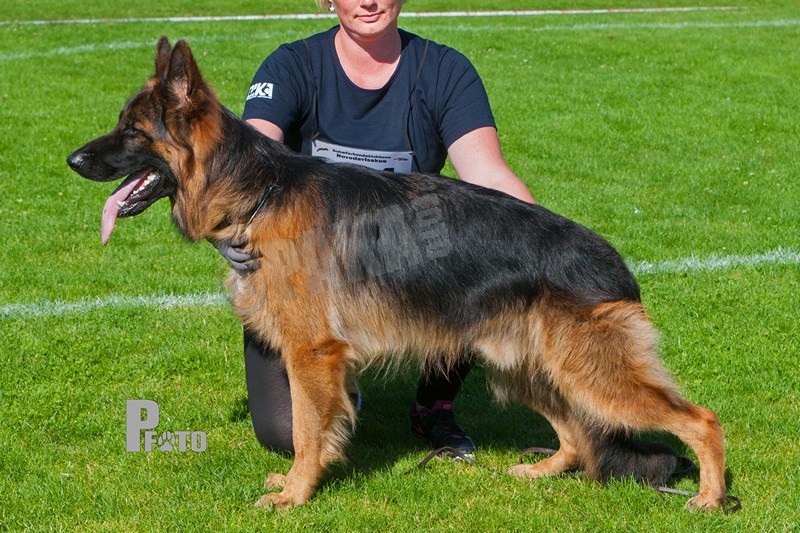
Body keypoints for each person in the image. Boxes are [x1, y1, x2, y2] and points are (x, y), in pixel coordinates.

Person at [231, 0, 536, 460]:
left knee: (467, 235)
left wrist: (543, 242)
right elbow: (245, 165)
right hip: (306, 264)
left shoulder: (445, 70)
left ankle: (433, 404)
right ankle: (340, 378)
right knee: (282, 430)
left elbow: (489, 177)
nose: (369, 1)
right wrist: (232, 232)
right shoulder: (291, 64)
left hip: (404, 250)